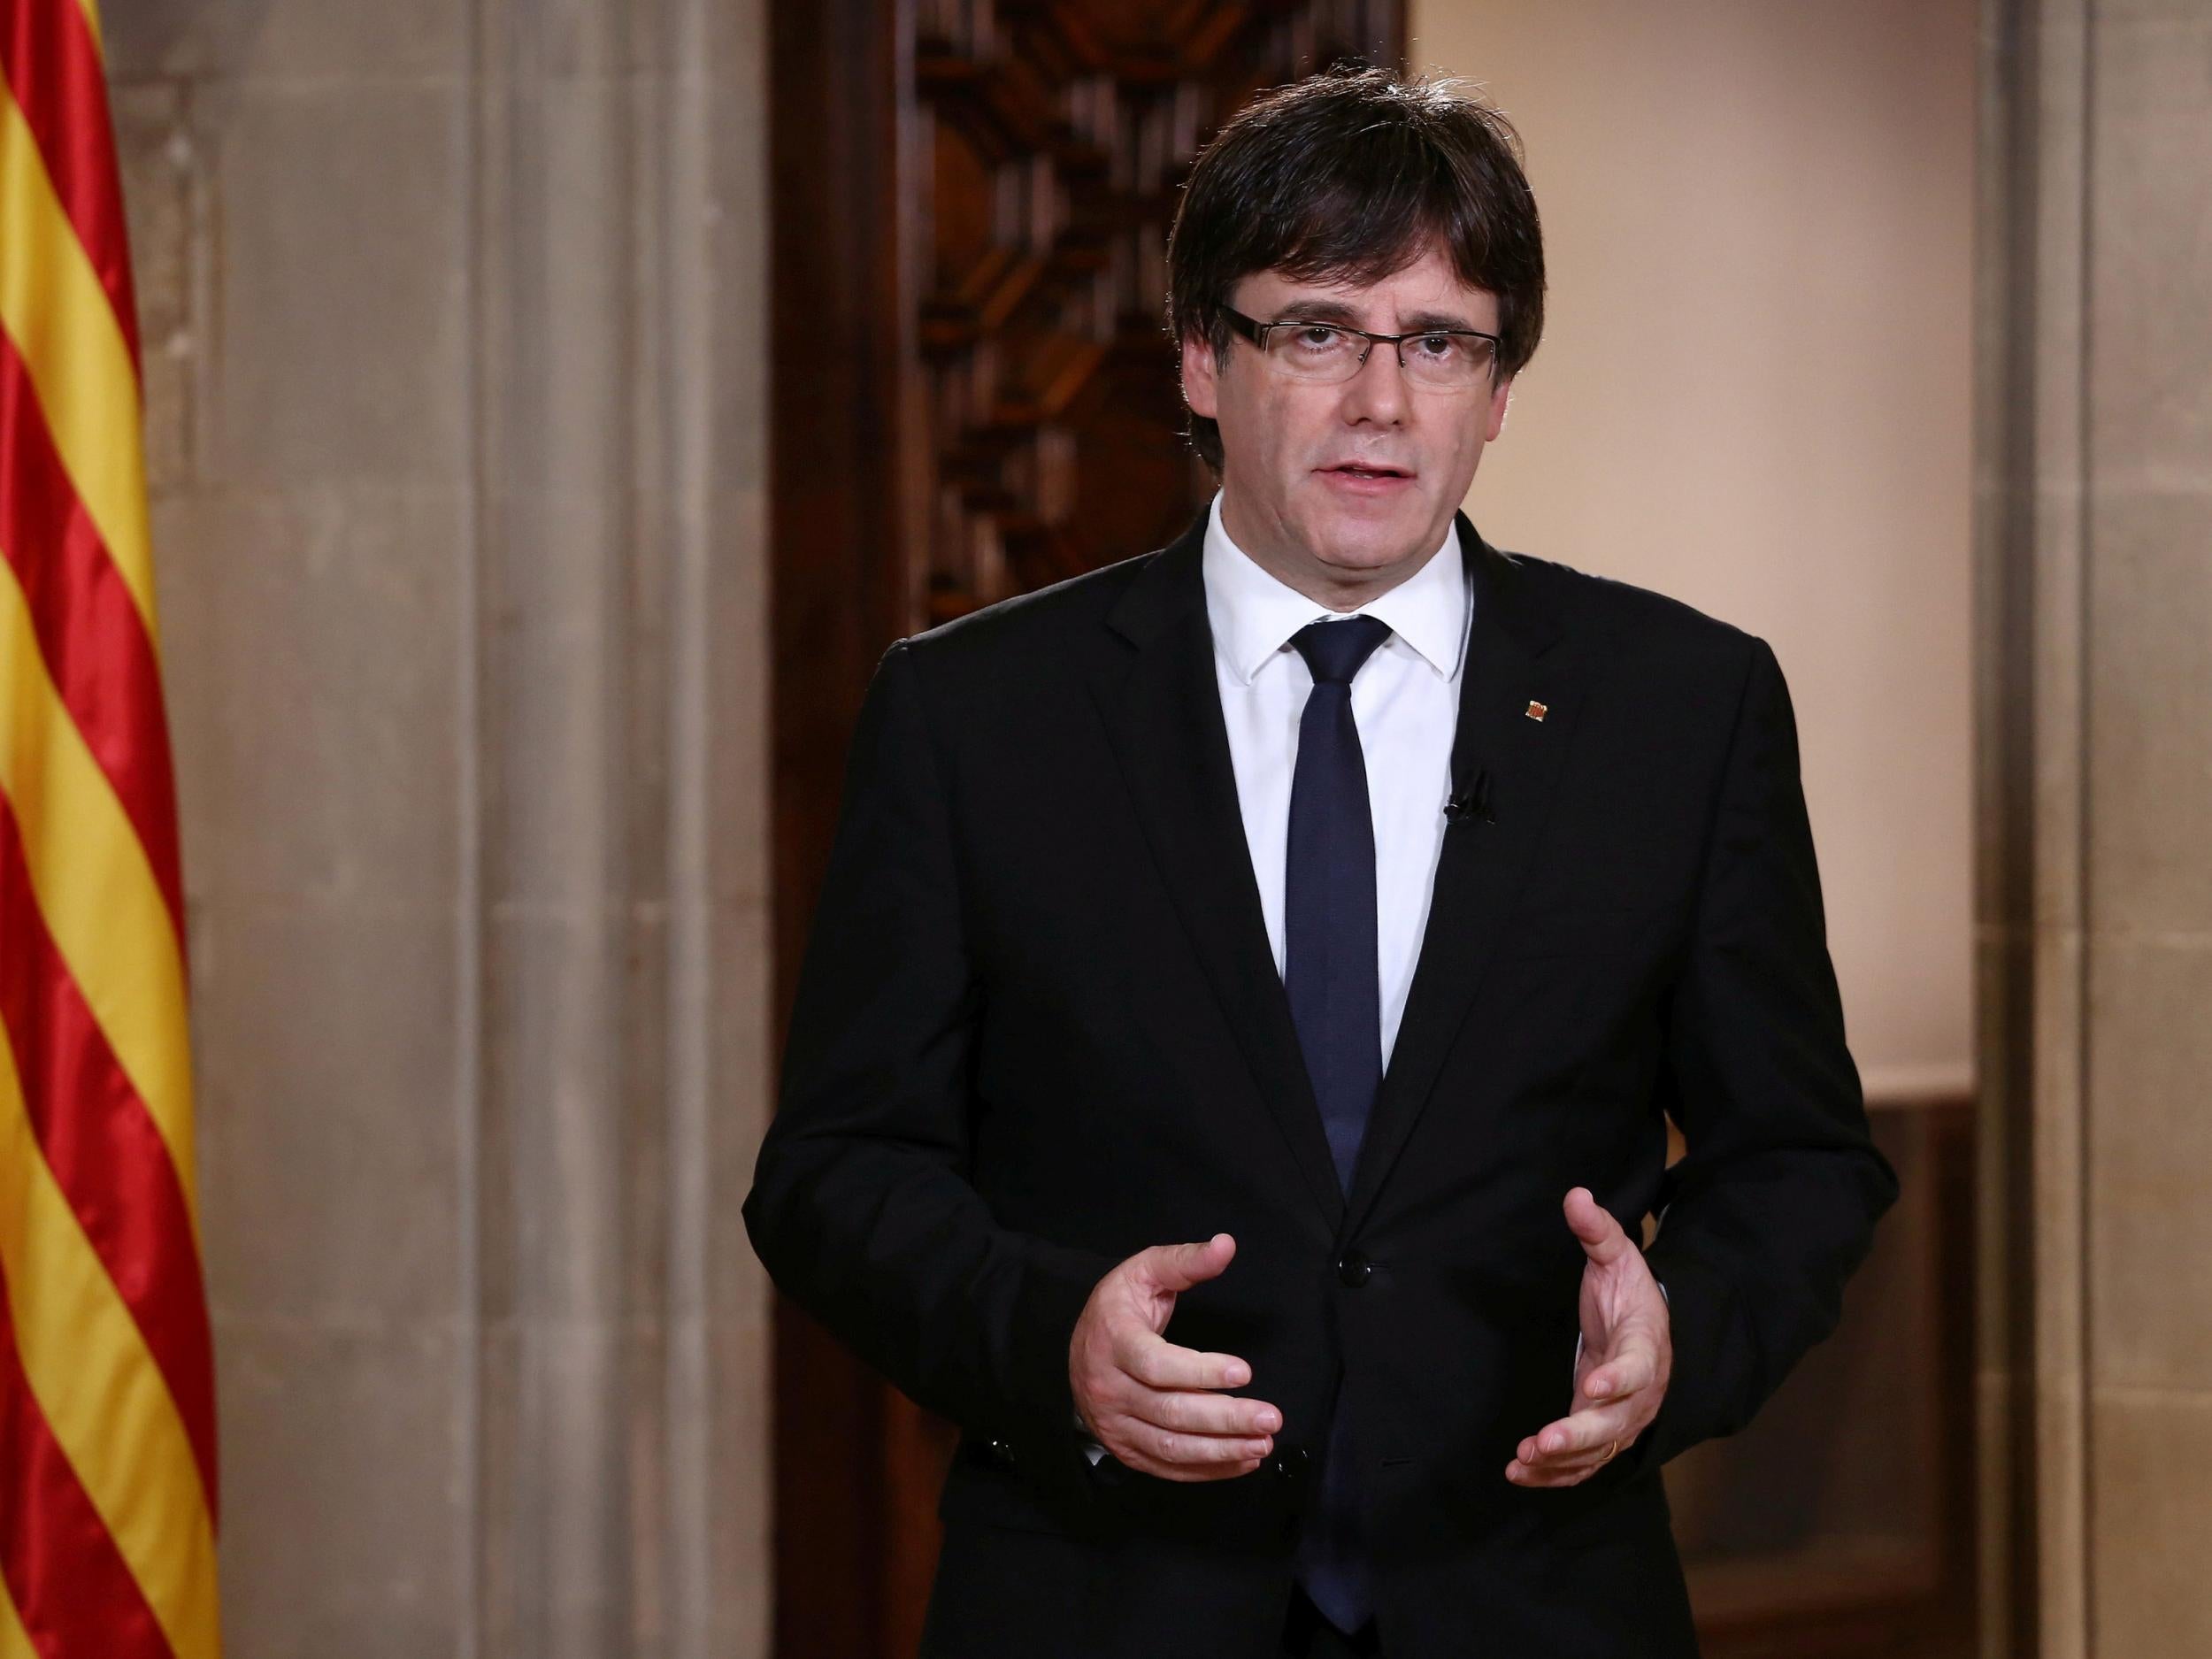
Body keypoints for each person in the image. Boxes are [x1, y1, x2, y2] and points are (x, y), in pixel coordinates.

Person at [743, 66, 1898, 1659]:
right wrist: (1047, 1339)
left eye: (1437, 341)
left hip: (1535, 1598)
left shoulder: (1681, 709)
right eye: (1318, 331)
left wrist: (1679, 1341)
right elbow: (835, 1172)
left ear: (1497, 390)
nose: (1381, 401)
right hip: (1103, 1601)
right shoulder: (975, 715)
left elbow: (1802, 1162)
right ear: (1205, 361)